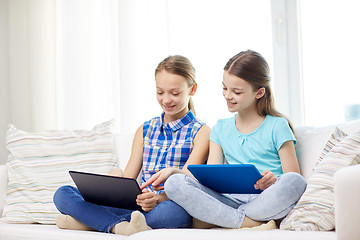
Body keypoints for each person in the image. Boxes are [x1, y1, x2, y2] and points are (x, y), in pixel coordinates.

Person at [145, 50, 307, 230]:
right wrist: (174, 171)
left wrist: (274, 180)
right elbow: (210, 177)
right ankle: (249, 222)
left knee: (295, 181)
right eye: (224, 88)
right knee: (175, 182)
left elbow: (293, 175)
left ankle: (228, 219)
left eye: (236, 91)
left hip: (265, 199)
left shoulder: (278, 126)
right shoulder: (220, 128)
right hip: (229, 200)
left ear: (259, 92)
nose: (228, 95)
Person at [53, 55, 211, 235]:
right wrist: (110, 187)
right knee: (62, 193)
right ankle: (120, 226)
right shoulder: (145, 129)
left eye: (175, 93)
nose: (166, 100)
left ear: (193, 89)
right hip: (135, 205)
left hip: (168, 204)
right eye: (160, 92)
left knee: (172, 214)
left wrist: (158, 199)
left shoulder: (201, 132)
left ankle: (89, 221)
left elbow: (188, 180)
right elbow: (129, 178)